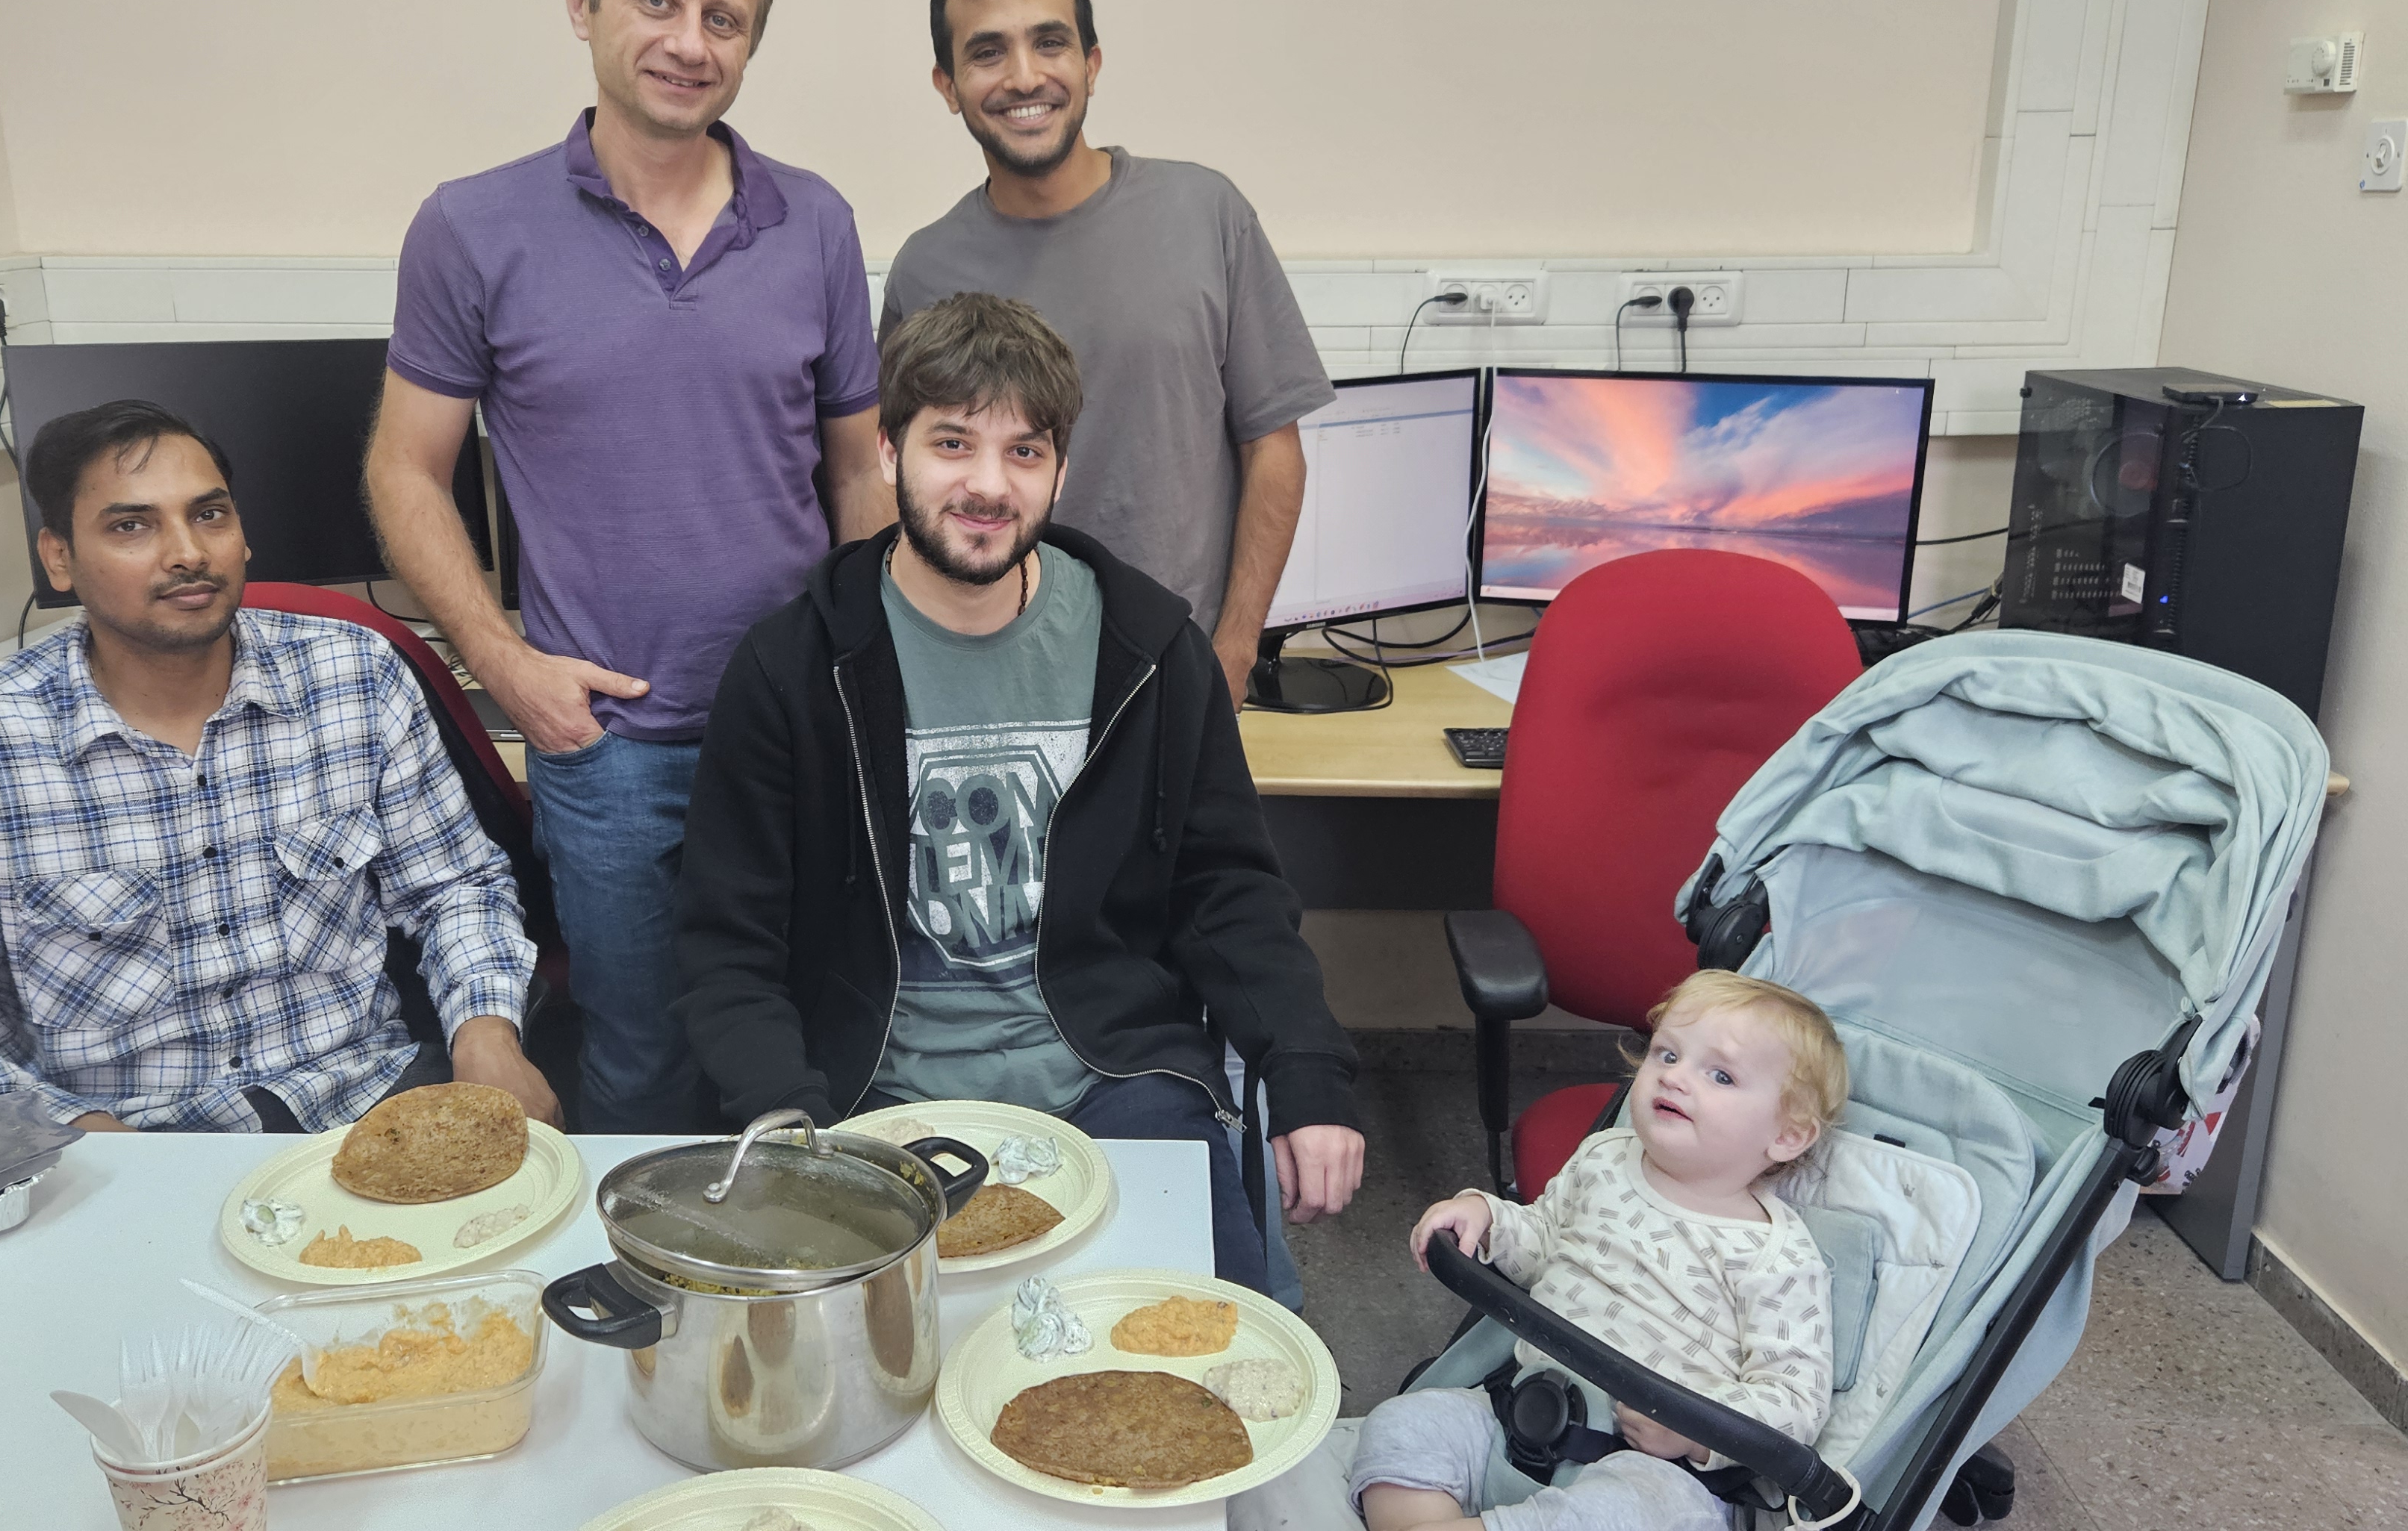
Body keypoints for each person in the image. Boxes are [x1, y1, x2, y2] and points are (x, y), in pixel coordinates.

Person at [671, 293, 1365, 1294]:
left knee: (1220, 1348)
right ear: (886, 449)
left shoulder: (1147, 649)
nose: (988, 485)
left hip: (1109, 1079)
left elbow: (1229, 891)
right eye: (952, 443)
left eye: (1025, 452)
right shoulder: (795, 669)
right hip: (872, 1098)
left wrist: (1308, 1074)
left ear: (1060, 469)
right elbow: (726, 946)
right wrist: (789, 1125)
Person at [366, 0, 889, 1133]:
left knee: (807, 1051)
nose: (688, 41)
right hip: (608, 748)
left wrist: (867, 670)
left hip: (796, 729)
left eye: (724, 18)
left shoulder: (813, 224)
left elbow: (862, 471)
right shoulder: (473, 227)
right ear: (581, 3)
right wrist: (503, 662)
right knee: (642, 1067)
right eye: (657, 1)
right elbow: (403, 469)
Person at [0, 402, 558, 1134]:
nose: (187, 552)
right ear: (60, 558)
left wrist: (486, 1032)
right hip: (118, 1139)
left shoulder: (354, 675)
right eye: (131, 525)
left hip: (363, 1100)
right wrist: (77, 1134)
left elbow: (455, 887)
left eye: (209, 515)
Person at [881, 0, 1333, 698]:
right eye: (987, 52)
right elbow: (904, 486)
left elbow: (1274, 450)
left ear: (1090, 63)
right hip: (992, 682)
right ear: (947, 84)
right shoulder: (926, 269)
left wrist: (1232, 650)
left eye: (1049, 42)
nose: (1024, 76)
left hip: (1175, 670)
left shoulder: (1205, 214)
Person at [1349, 972, 1846, 1531]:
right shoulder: (1606, 1157)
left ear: (1786, 1135)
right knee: (1401, 1425)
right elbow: (1541, 1247)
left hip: (1652, 1468)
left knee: (1634, 1517)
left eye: (1721, 1075)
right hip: (1525, 1407)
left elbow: (1794, 1400)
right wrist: (1489, 1218)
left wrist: (1696, 1431)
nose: (1676, 1078)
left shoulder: (1776, 1255)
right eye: (1667, 1054)